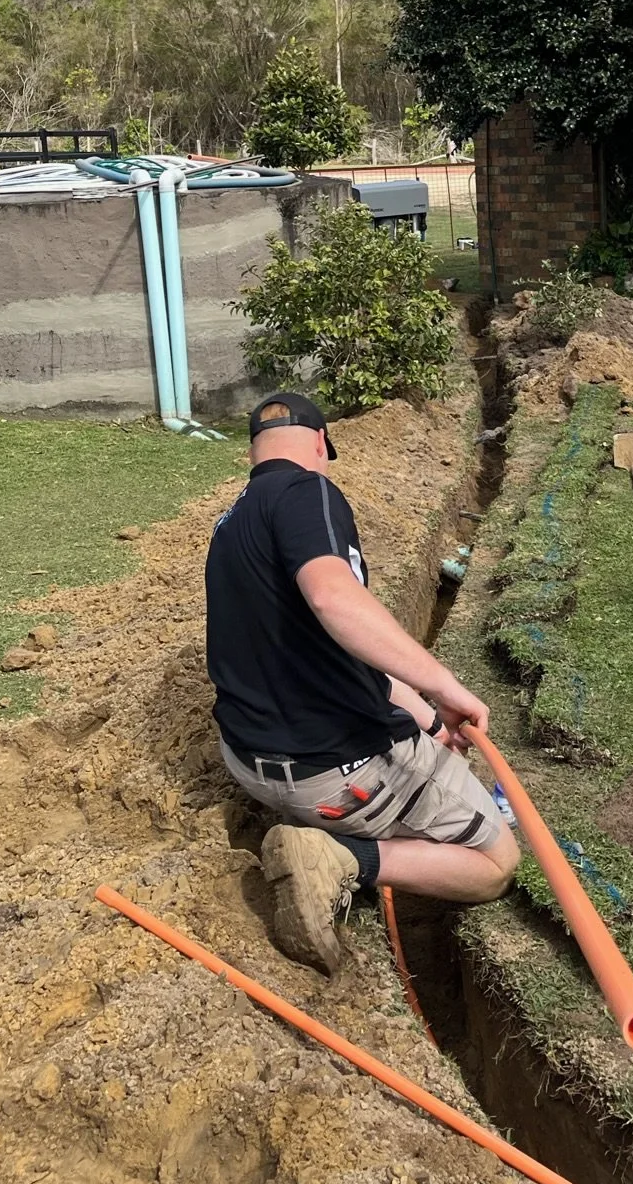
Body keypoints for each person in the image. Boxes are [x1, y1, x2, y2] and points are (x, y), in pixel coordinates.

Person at [205, 390, 521, 974]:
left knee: (434, 752)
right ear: (321, 444)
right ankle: (339, 856)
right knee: (496, 860)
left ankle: (331, 830)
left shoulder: (233, 524)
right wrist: (447, 686)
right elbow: (334, 599)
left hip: (250, 762)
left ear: (254, 450)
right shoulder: (309, 491)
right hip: (332, 777)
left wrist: (429, 718)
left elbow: (341, 651)